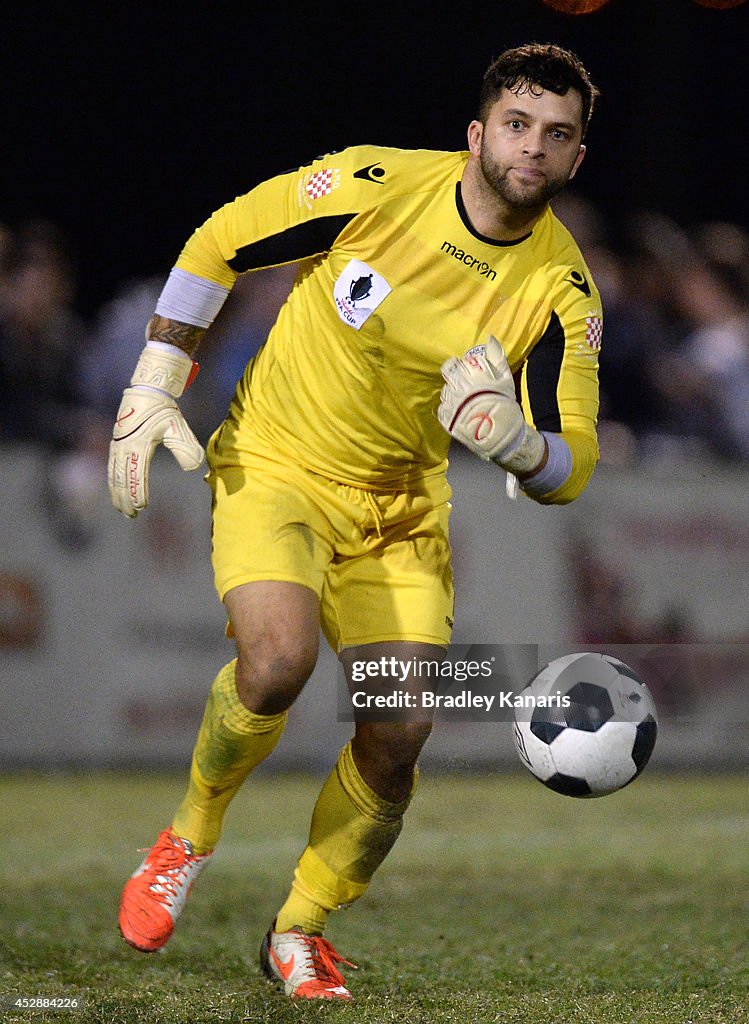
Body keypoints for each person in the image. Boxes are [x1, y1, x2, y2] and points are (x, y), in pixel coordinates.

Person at [110, 42, 602, 1001]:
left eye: (557, 136)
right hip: (277, 463)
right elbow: (219, 239)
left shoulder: (562, 291)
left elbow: (571, 462)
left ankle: (299, 928)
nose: (531, 150)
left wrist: (517, 446)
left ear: (577, 157)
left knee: (402, 726)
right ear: (476, 134)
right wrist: (157, 376)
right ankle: (187, 837)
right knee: (277, 661)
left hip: (401, 513)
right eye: (516, 125)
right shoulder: (375, 182)